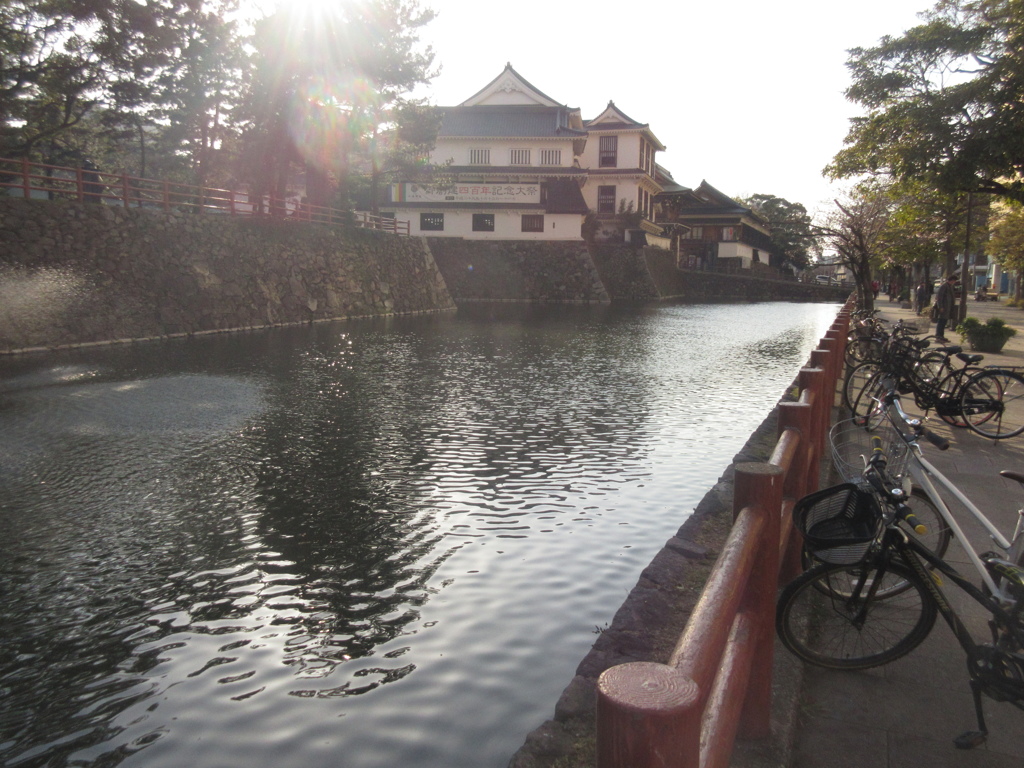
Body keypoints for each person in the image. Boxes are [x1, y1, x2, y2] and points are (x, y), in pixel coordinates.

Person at [934, 273, 959, 342]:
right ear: (952, 280)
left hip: (947, 307)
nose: (954, 282)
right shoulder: (944, 286)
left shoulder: (949, 286)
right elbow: (939, 297)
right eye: (954, 281)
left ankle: (941, 336)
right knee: (941, 322)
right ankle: (938, 336)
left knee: (944, 322)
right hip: (944, 307)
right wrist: (940, 306)